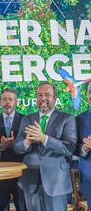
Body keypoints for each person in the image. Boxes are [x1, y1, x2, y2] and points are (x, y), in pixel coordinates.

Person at [14, 82, 77, 211]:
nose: (43, 98)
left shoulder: (67, 118)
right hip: (30, 179)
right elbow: (17, 148)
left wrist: (43, 138)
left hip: (56, 181)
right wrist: (26, 142)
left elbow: (69, 148)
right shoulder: (27, 119)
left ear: (55, 98)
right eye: (40, 95)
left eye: (47, 95)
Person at [0, 88, 26, 211]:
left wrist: (15, 143)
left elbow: (28, 145)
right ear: (0, 102)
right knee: (0, 206)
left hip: (20, 171)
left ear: (16, 102)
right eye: (4, 99)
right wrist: (1, 145)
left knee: (22, 205)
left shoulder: (26, 120)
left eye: (10, 99)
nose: (7, 102)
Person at [76, 82, 91, 208]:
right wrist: (84, 148)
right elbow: (75, 147)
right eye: (90, 92)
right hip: (88, 176)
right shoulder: (80, 119)